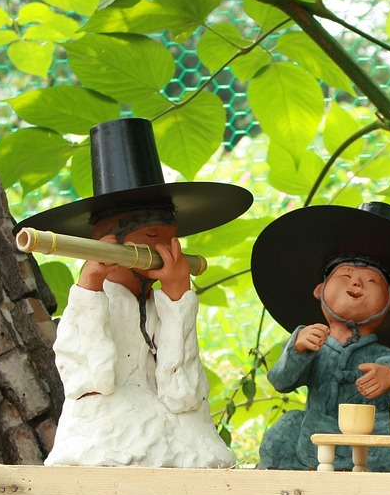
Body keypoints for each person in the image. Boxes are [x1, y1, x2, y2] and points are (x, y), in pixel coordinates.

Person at [16, 117, 252, 467]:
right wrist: (90, 286)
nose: (169, 249)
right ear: (107, 242)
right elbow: (87, 380)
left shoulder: (161, 303)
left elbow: (183, 393)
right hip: (108, 433)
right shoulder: (95, 299)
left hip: (181, 436)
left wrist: (178, 297)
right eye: (153, 237)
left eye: (173, 239)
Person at [252, 201, 390, 471]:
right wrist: (297, 350)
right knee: (284, 431)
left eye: (372, 281)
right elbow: (280, 382)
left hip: (371, 437)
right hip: (315, 432)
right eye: (345, 276)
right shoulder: (311, 345)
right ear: (320, 290)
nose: (356, 283)